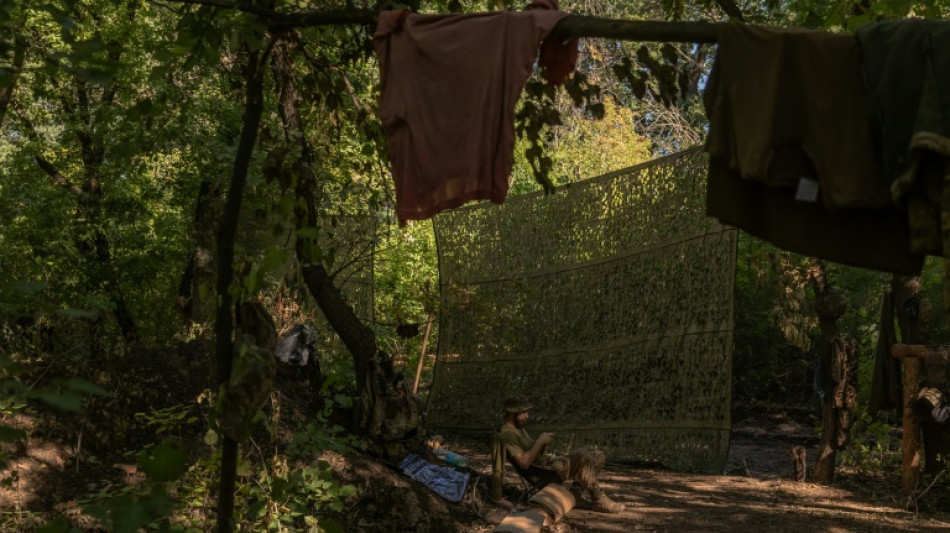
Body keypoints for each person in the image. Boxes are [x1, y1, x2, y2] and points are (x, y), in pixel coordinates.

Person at [493, 395, 625, 513]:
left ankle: (576, 494)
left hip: (548, 465)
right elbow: (524, 463)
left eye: (528, 411)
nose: (527, 416)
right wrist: (539, 441)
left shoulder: (519, 430)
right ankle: (598, 499)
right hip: (543, 473)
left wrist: (544, 444)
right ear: (511, 413)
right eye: (523, 412)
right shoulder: (506, 435)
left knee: (598, 455)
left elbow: (537, 455)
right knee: (582, 455)